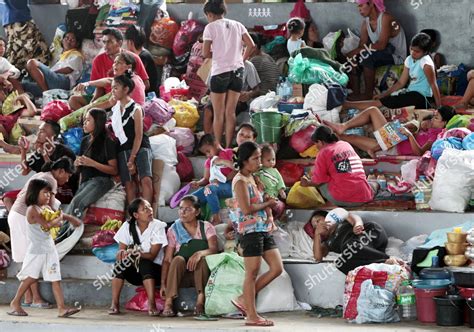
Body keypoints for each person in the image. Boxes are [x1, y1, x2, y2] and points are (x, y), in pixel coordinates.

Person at [8, 157, 79, 310]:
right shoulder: (50, 181)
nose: (67, 180)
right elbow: (52, 210)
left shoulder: (40, 175)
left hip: (16, 215)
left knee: (26, 260)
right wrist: (65, 219)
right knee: (30, 262)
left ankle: (30, 298)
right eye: (67, 175)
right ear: (60, 171)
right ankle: (34, 299)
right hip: (23, 217)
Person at [231, 141, 282, 327]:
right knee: (251, 273)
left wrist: (267, 202)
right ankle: (251, 315)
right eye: (255, 158)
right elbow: (246, 209)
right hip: (250, 230)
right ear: (244, 161)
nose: (259, 161)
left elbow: (259, 200)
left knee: (277, 268)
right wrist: (267, 205)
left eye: (260, 157)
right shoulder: (240, 181)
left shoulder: (253, 177)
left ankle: (245, 299)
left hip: (262, 228)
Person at [202, 0, 255, 148]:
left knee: (218, 113)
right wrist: (241, 59)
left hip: (220, 72)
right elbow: (251, 45)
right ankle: (228, 147)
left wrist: (220, 53)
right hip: (237, 71)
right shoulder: (238, 25)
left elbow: (205, 53)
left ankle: (218, 146)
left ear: (210, 14)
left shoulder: (210, 27)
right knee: (230, 112)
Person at [345, 32, 440, 110]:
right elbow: (401, 82)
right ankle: (349, 105)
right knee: (389, 99)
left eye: (417, 51)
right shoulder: (409, 59)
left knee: (381, 103)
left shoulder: (426, 63)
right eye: (411, 49)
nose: (413, 53)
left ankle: (348, 105)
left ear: (425, 52)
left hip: (422, 97)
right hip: (411, 93)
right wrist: (384, 94)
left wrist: (439, 107)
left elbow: (433, 85)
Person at [160, 195, 217, 317]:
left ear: (197, 211)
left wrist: (199, 253)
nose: (183, 212)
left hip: (201, 275)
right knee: (177, 259)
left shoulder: (206, 227)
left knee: (202, 260)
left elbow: (214, 249)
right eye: (181, 208)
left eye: (188, 209)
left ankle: (200, 302)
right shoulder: (174, 229)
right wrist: (163, 283)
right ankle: (168, 303)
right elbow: (167, 259)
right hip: (180, 277)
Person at [109, 198, 167, 316]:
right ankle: (114, 304)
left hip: (154, 271)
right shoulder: (127, 226)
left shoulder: (158, 226)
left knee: (144, 262)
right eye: (145, 209)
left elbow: (152, 256)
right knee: (119, 264)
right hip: (135, 274)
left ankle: (152, 304)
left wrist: (134, 253)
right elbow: (122, 248)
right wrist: (121, 253)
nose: (149, 210)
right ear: (136, 215)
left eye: (149, 207)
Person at [324, 105, 456, 156]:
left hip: (392, 148)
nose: (433, 120)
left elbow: (420, 153)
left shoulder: (437, 137)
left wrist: (410, 136)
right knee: (372, 111)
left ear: (444, 123)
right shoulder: (429, 128)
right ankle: (338, 129)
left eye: (437, 118)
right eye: (434, 116)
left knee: (351, 136)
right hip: (392, 140)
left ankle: (331, 135)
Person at [68, 28, 149, 111]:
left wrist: (128, 93)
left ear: (119, 43)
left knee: (96, 110)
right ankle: (88, 118)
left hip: (123, 99)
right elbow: (104, 84)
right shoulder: (98, 60)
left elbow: (145, 84)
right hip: (106, 97)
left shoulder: (133, 59)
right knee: (73, 100)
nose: (105, 46)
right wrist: (93, 102)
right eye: (104, 42)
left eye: (109, 42)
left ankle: (92, 118)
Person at [300, 126, 375, 207]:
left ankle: (334, 205)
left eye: (316, 143)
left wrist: (307, 183)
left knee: (321, 183)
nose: (316, 147)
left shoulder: (323, 152)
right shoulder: (345, 144)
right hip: (366, 195)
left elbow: (318, 180)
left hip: (345, 199)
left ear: (320, 142)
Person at [308, 208, 396, 275]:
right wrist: (317, 235)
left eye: (318, 220)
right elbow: (318, 258)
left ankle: (387, 259)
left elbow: (354, 218)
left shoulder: (340, 220)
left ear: (327, 216)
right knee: (341, 263)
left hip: (371, 234)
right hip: (365, 250)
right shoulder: (328, 243)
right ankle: (382, 262)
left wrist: (357, 226)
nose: (318, 225)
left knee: (350, 245)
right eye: (315, 227)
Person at [65, 109, 117, 219]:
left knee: (77, 203)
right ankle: (65, 233)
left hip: (101, 180)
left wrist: (93, 163)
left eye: (88, 120)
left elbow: (114, 170)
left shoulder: (107, 141)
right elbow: (79, 170)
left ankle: (69, 233)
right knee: (74, 203)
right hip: (85, 181)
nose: (84, 123)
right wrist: (77, 164)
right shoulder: (85, 141)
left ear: (97, 122)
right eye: (84, 120)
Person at [348, 0, 406, 100]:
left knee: (367, 57)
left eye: (361, 6)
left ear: (371, 4)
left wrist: (358, 51)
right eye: (358, 7)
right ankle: (356, 92)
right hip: (383, 53)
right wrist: (353, 55)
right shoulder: (365, 23)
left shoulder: (386, 18)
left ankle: (368, 95)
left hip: (396, 55)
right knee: (354, 57)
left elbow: (381, 45)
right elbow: (362, 45)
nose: (359, 9)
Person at [110, 73, 153, 204]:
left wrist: (132, 158)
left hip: (140, 147)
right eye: (112, 88)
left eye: (116, 88)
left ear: (126, 89)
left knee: (145, 179)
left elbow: (138, 135)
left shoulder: (136, 109)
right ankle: (133, 214)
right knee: (128, 183)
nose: (113, 91)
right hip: (123, 149)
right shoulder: (115, 108)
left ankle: (147, 211)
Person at [190, 134, 236, 225]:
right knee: (190, 200)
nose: (208, 155)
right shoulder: (209, 161)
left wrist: (222, 162)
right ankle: (199, 220)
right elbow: (206, 179)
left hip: (230, 185)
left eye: (208, 151)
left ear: (216, 144)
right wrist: (198, 183)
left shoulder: (229, 153)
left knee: (210, 188)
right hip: (214, 186)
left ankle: (216, 217)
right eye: (205, 153)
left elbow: (238, 169)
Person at [22, 31, 84, 97]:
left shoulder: (76, 55)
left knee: (31, 63)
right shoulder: (62, 56)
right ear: (62, 40)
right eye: (67, 38)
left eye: (72, 40)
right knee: (23, 85)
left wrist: (50, 73)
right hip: (52, 83)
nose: (68, 41)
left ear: (77, 44)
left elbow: (68, 69)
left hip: (63, 82)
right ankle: (47, 93)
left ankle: (47, 93)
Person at [74, 52, 146, 107]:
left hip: (131, 116)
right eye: (115, 62)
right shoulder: (133, 77)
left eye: (119, 63)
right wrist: (87, 83)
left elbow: (110, 102)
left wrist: (90, 108)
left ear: (128, 67)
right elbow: (109, 80)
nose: (115, 65)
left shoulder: (126, 83)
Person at [1, 0, 50, 71]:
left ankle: (20, 76)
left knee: (16, 53)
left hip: (6, 20)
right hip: (21, 18)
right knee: (39, 50)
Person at [124, 24, 158, 94]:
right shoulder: (141, 54)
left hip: (148, 94)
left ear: (130, 42)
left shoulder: (143, 57)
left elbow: (135, 78)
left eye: (126, 41)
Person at [256, 145, 286, 220]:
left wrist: (281, 190)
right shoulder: (260, 170)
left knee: (280, 206)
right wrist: (258, 181)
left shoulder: (275, 171)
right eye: (268, 160)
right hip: (263, 194)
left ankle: (275, 218)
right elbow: (255, 176)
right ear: (261, 160)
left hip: (273, 194)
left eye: (273, 159)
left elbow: (280, 181)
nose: (272, 162)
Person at [248, 33, 280, 98]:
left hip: (262, 98)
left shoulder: (255, 60)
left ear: (254, 47)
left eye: (244, 46)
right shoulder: (267, 57)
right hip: (272, 96)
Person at [0, 36, 22, 101]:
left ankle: (22, 102)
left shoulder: (3, 60)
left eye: (4, 46)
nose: (2, 48)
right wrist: (3, 79)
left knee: (13, 79)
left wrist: (7, 74)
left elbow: (17, 72)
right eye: (0, 45)